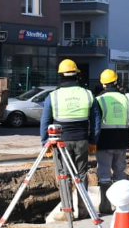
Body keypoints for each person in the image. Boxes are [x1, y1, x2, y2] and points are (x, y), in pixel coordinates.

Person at [40, 59, 101, 216]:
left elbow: (45, 121)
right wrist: (93, 141)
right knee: (81, 175)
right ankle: (83, 210)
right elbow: (96, 120)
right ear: (77, 76)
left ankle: (67, 211)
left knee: (63, 175)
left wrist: (44, 142)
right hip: (82, 140)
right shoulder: (88, 94)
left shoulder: (52, 97)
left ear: (60, 76)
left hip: (61, 142)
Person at [92, 69, 129, 214]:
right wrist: (127, 139)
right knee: (119, 173)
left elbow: (95, 123)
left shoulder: (99, 99)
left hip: (104, 141)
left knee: (104, 173)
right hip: (121, 141)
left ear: (103, 84)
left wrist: (93, 140)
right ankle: (121, 206)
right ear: (116, 81)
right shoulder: (125, 99)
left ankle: (105, 206)